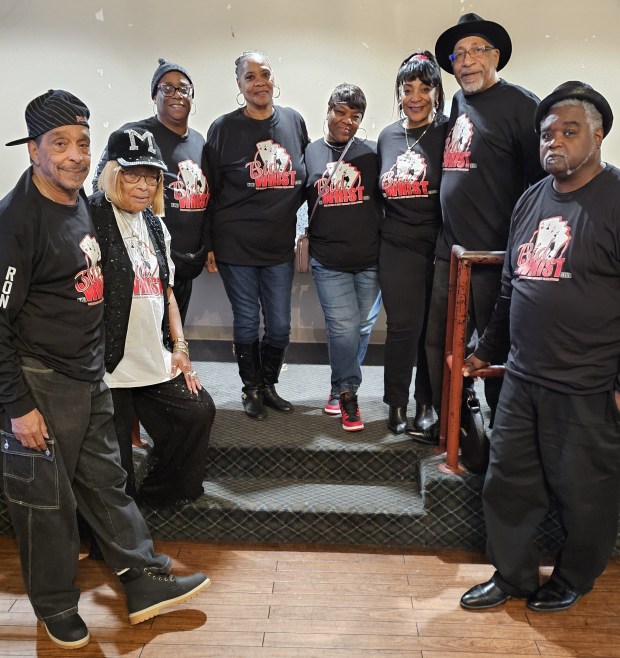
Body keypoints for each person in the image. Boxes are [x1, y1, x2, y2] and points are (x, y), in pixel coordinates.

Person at [0, 89, 209, 650]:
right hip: (39, 382)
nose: (75, 155)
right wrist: (18, 406)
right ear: (33, 151)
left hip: (88, 375)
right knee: (47, 505)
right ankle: (54, 606)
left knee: (107, 484)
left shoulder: (78, 204)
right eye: (60, 144)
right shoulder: (16, 220)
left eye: (83, 143)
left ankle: (142, 579)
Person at [459, 82, 620, 613]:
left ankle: (575, 576)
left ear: (597, 136)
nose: (555, 142)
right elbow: (511, 286)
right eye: (547, 134)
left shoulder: (616, 201)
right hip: (523, 378)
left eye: (569, 131)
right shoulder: (531, 199)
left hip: (587, 382)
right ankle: (513, 574)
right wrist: (487, 348)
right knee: (508, 484)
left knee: (585, 492)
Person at [423, 13, 544, 443]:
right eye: (459, 54)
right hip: (449, 251)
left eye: (477, 50)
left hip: (495, 256)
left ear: (495, 56)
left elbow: (542, 184)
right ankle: (449, 423)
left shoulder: (522, 105)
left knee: (495, 350)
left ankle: (503, 434)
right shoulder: (459, 103)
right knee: (440, 343)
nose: (467, 61)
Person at [90, 126, 215, 508]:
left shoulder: (156, 225)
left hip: (152, 358)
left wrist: (180, 348)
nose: (144, 185)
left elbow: (167, 293)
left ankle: (159, 495)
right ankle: (112, 532)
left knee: (198, 411)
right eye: (132, 174)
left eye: (151, 176)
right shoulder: (90, 217)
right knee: (115, 472)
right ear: (112, 173)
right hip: (109, 369)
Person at [203, 50, 309, 420]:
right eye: (250, 77)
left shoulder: (294, 121)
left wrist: (304, 232)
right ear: (239, 85)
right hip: (236, 244)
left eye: (265, 73)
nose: (259, 82)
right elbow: (210, 190)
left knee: (280, 325)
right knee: (247, 320)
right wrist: (210, 245)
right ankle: (251, 389)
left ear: (273, 77)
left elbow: (307, 180)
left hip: (278, 244)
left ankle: (268, 385)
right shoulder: (223, 128)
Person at [94, 58, 208, 324]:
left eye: (183, 89)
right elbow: (100, 186)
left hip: (184, 259)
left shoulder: (200, 142)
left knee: (173, 332)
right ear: (154, 95)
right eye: (167, 88)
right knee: (139, 334)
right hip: (141, 261)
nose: (176, 94)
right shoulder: (135, 135)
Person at [377, 51, 448, 438]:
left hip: (437, 244)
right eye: (408, 89)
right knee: (403, 327)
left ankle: (426, 403)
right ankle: (397, 403)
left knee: (431, 331)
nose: (415, 97)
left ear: (437, 91)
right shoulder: (388, 135)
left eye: (425, 88)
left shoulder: (448, 131)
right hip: (396, 245)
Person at [304, 83, 382, 431]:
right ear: (329, 110)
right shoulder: (311, 152)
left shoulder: (373, 154)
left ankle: (340, 386)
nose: (346, 120)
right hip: (328, 259)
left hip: (370, 259)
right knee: (344, 327)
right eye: (340, 111)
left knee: (362, 326)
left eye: (355, 116)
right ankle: (347, 392)